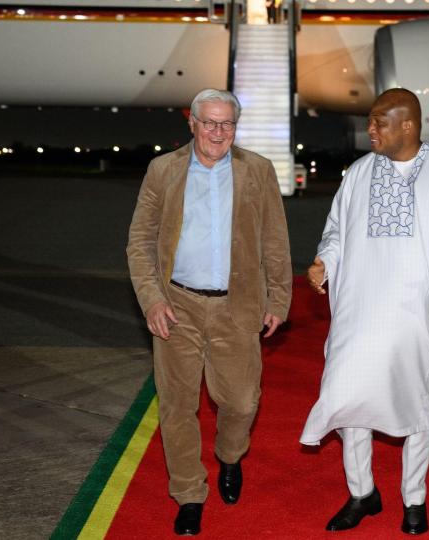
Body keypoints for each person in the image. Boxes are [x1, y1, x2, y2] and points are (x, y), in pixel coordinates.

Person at [300, 88, 429, 535]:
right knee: (348, 400)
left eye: (381, 121)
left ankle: (414, 498)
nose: (371, 129)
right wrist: (326, 261)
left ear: (408, 125)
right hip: (358, 310)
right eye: (371, 120)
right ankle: (362, 493)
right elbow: (337, 230)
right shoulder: (360, 173)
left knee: (416, 405)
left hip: (414, 314)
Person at [127, 88, 292, 536]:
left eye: (227, 124)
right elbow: (140, 242)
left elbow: (275, 241)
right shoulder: (163, 170)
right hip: (175, 306)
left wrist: (279, 299)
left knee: (241, 401)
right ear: (193, 124)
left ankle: (229, 456)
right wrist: (152, 299)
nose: (219, 132)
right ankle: (188, 493)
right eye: (210, 123)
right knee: (177, 407)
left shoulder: (257, 170)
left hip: (237, 307)